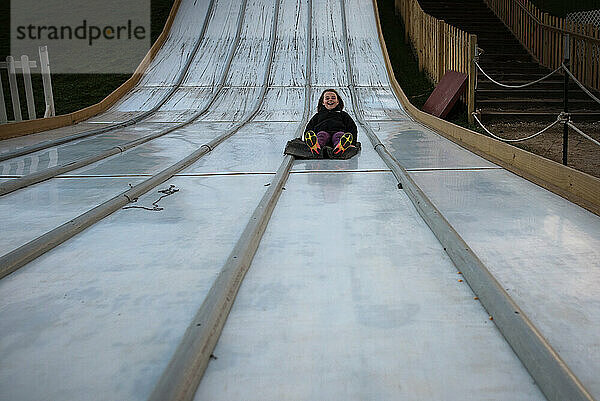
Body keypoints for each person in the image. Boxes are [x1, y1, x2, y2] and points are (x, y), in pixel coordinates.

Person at [303, 89, 357, 156]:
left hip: (338, 131)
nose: (330, 100)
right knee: (321, 135)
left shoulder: (342, 114)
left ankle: (340, 147)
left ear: (337, 102)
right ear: (323, 102)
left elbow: (352, 127)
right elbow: (309, 127)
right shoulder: (318, 115)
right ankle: (316, 147)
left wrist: (353, 143)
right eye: (327, 98)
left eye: (333, 98)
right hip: (323, 131)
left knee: (339, 136)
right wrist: (306, 140)